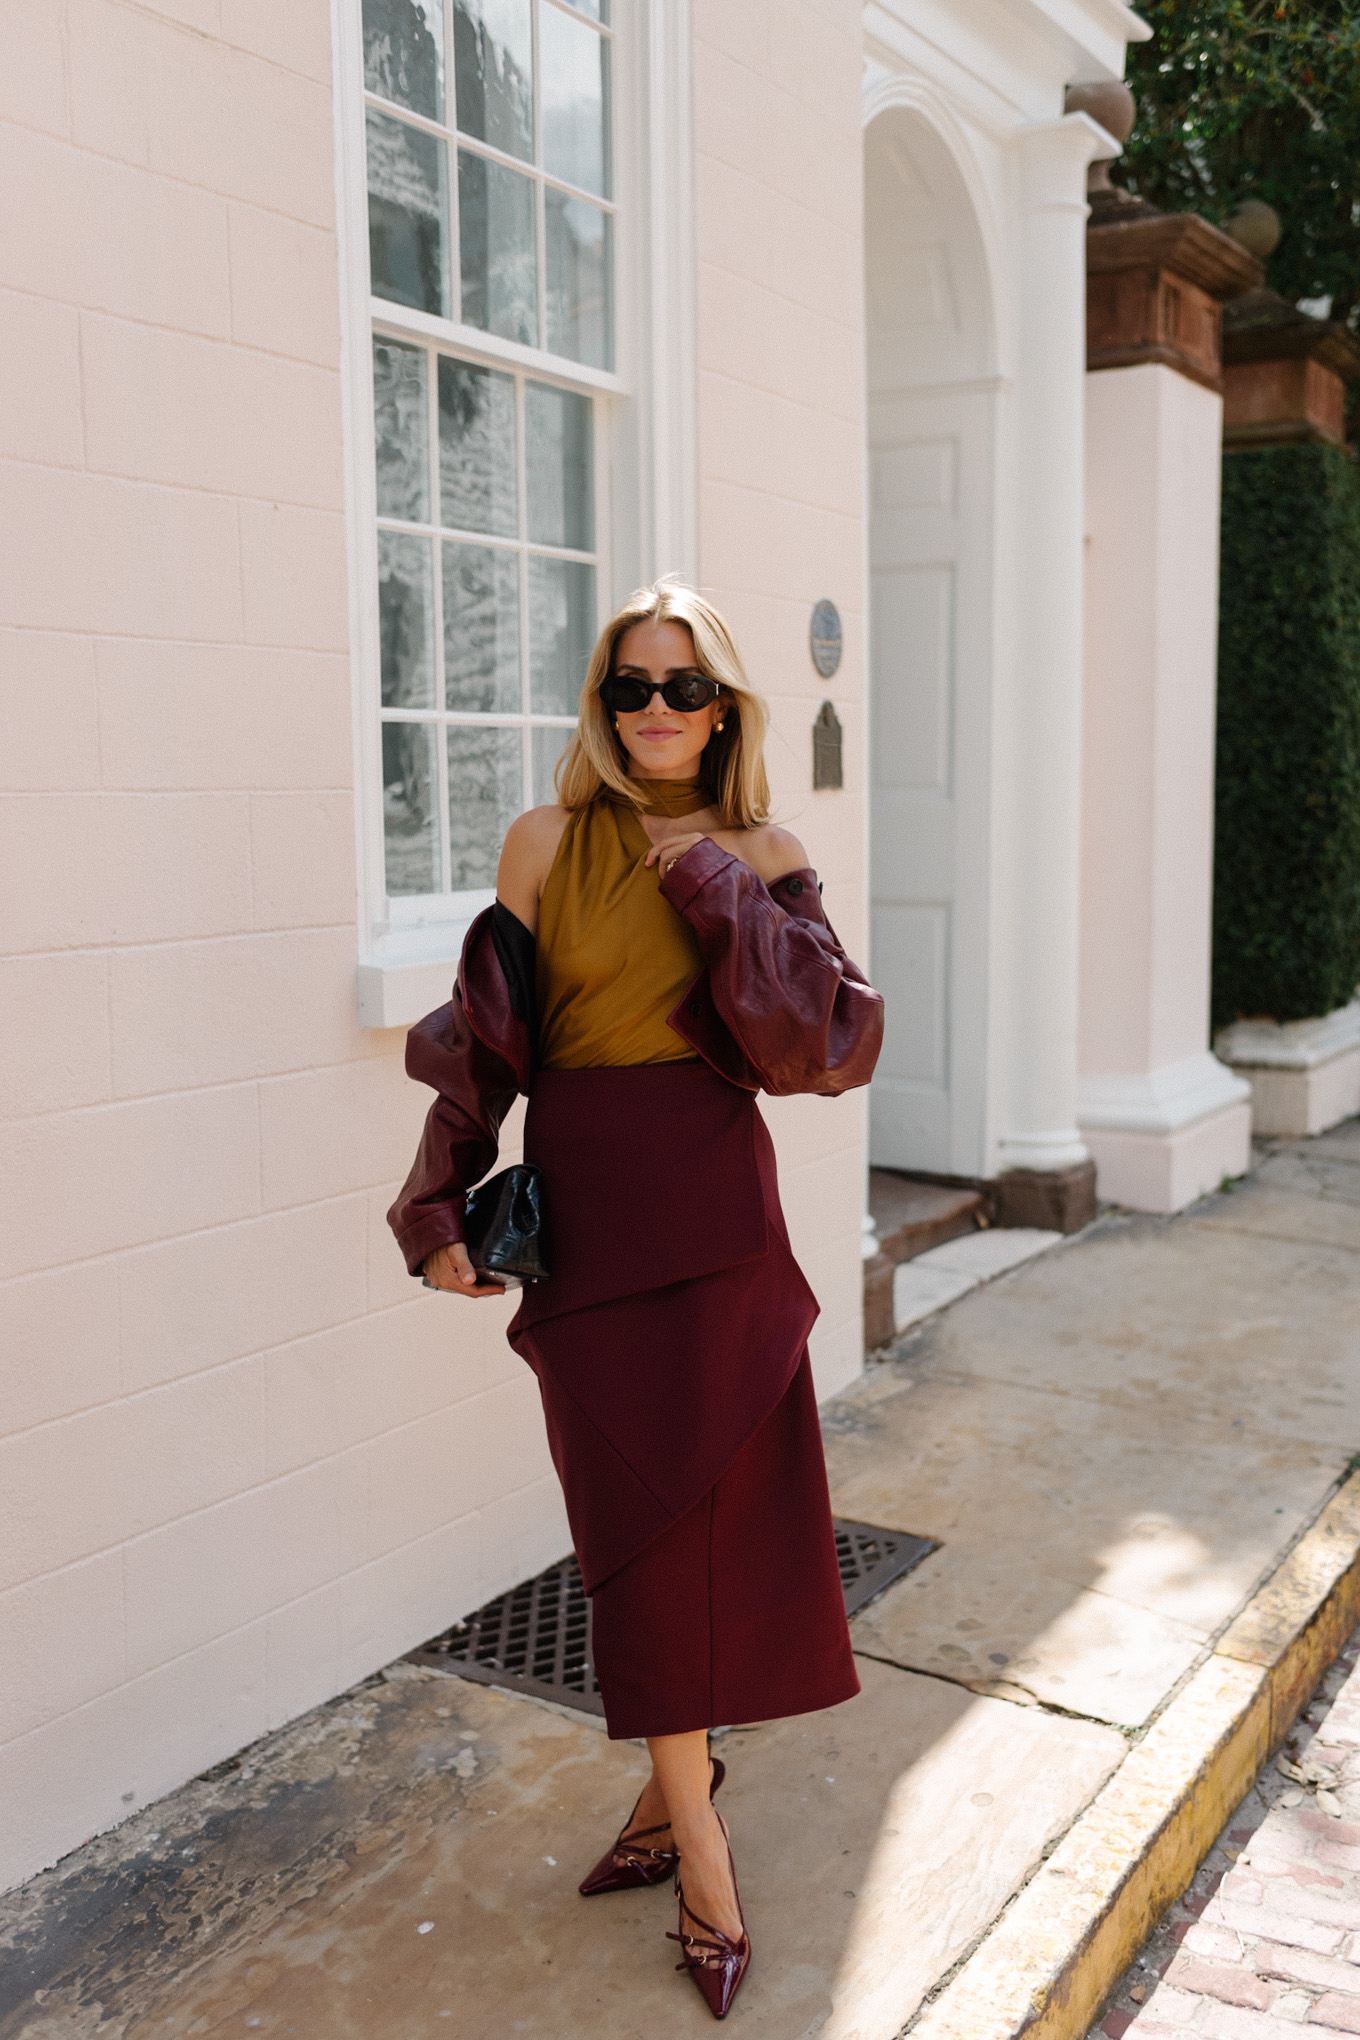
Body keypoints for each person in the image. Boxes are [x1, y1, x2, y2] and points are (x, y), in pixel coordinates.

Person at [388, 579, 883, 2019]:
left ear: (723, 706)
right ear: (600, 705)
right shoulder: (543, 844)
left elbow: (822, 1052)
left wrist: (719, 880)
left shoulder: (766, 850)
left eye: (681, 689)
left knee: (719, 1533)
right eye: (628, 688)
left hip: (723, 1223)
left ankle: (686, 1823)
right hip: (596, 1232)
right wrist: (435, 1203)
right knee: (633, 1539)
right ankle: (693, 1813)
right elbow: (483, 1046)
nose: (654, 712)